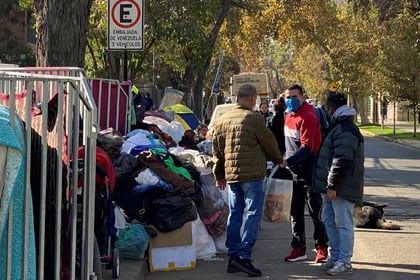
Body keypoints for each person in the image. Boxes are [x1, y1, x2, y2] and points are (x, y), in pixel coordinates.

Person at [212, 84, 286, 277]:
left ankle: (233, 256)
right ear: (252, 99)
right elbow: (269, 142)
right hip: (253, 175)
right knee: (253, 213)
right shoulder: (254, 119)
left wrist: (219, 175)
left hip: (232, 176)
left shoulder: (222, 120)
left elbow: (217, 152)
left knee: (234, 214)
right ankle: (244, 256)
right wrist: (279, 160)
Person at [312, 93, 364, 276]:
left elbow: (342, 158)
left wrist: (333, 184)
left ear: (332, 108)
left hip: (341, 187)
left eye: (327, 108)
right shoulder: (337, 127)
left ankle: (344, 261)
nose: (325, 111)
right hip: (331, 187)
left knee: (343, 224)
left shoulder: (346, 129)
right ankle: (335, 257)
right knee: (331, 222)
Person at [282, 83, 329, 263]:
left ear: (302, 97)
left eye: (294, 96)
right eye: (288, 97)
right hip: (292, 173)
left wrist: (288, 161)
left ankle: (322, 247)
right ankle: (298, 248)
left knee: (315, 211)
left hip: (309, 172)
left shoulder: (308, 117)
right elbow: (287, 144)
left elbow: (307, 147)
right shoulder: (288, 116)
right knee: (295, 212)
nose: (291, 100)